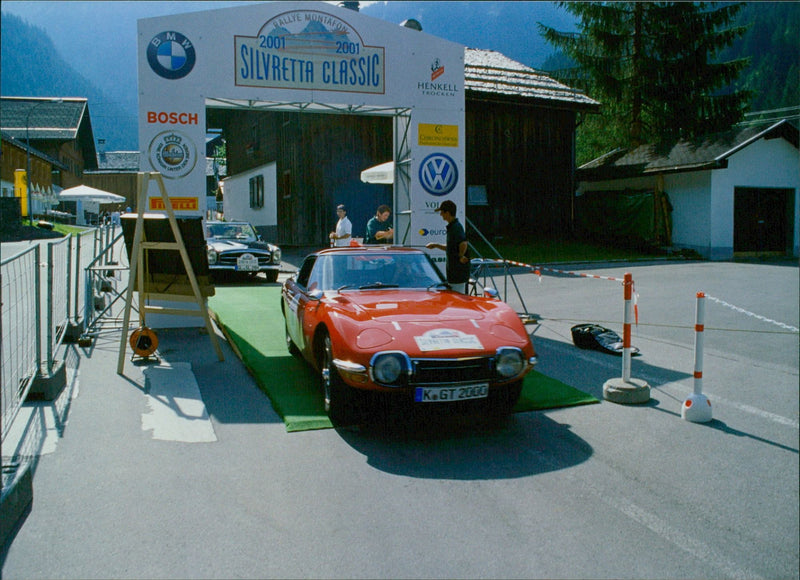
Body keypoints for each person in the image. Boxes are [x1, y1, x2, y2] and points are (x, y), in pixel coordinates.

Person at [425, 199, 470, 294]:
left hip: (458, 275)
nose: (441, 214)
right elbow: (451, 247)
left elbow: (463, 243)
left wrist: (461, 256)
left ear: (448, 213)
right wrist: (436, 245)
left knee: (458, 299)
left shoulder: (456, 227)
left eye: (442, 212)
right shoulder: (452, 226)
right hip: (453, 275)